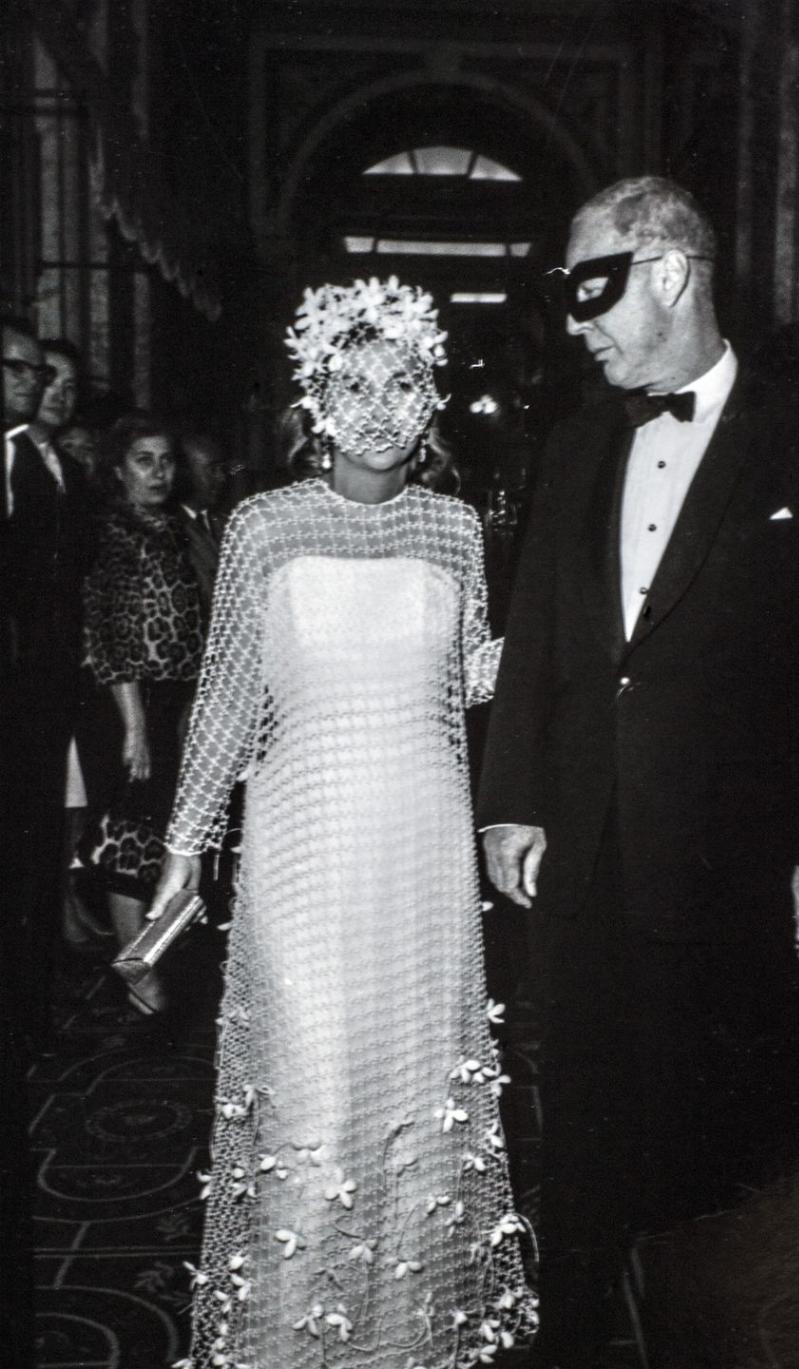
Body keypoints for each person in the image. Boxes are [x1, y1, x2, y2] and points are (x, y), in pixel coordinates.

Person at [478, 177, 799, 1367]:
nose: (576, 325)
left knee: (724, 1139)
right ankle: (573, 1336)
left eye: (591, 290)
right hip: (583, 852)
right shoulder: (575, 439)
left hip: (735, 861)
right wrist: (509, 800)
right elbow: (539, 631)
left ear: (669, 271)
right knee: (582, 1137)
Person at [149, 278, 537, 1369]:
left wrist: (571, 635)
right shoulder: (263, 525)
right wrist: (185, 845)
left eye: (403, 381)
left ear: (432, 398)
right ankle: (288, 1344)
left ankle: (403, 1341)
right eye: (353, 384)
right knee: (318, 1089)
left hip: (418, 850)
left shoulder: (455, 527)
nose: (379, 405)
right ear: (314, 399)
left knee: (412, 1094)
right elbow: (226, 694)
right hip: (303, 854)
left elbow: (469, 681)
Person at [78, 413, 203, 1015]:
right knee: (128, 838)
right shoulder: (113, 533)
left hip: (172, 699)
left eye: (166, 459)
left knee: (160, 838)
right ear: (117, 469)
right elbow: (108, 636)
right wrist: (135, 726)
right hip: (128, 700)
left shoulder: (171, 527)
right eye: (143, 460)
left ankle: (148, 958)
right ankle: (134, 968)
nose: (158, 472)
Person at [1, 314, 93, 1038]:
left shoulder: (57, 463)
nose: (43, 386)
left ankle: (34, 1000)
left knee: (41, 843)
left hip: (51, 687)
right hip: (19, 687)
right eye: (28, 370)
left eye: (54, 375)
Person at [176, 429, 228, 625]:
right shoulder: (170, 529)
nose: (221, 477)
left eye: (222, 469)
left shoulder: (228, 524)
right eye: (212, 470)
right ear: (185, 473)